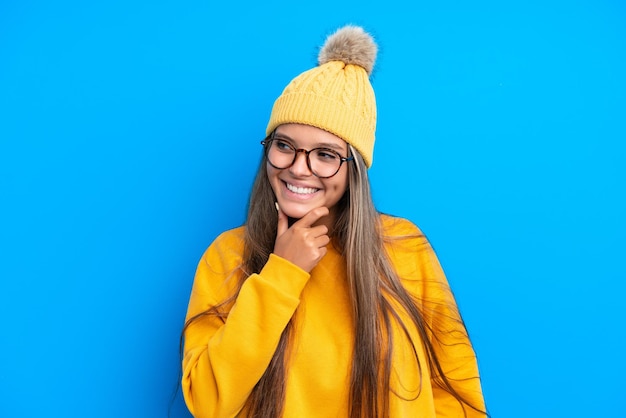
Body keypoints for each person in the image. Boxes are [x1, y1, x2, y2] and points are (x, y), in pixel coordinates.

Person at [181, 25, 487, 418]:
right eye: (284, 146)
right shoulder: (227, 256)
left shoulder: (405, 246)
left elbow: (457, 393)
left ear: (354, 169)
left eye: (325, 154)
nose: (298, 169)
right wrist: (282, 274)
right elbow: (208, 403)